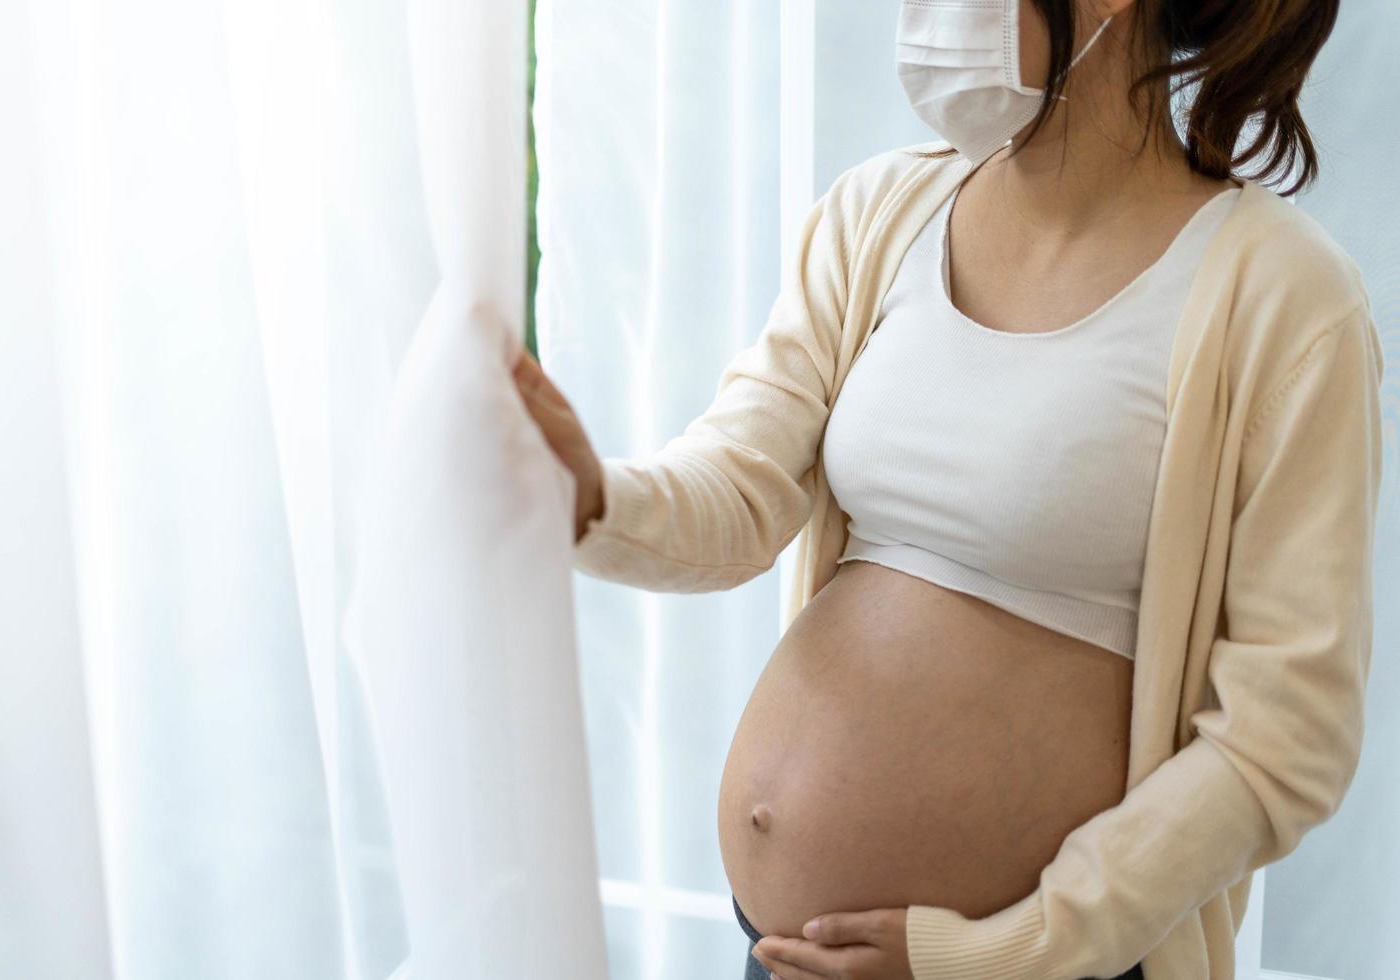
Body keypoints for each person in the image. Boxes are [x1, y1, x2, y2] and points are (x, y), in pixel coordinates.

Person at [513, 1, 1384, 978]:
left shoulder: (1285, 297)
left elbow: (1284, 737)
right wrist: (590, 494)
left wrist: (987, 953)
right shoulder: (877, 214)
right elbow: (740, 485)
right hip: (782, 952)